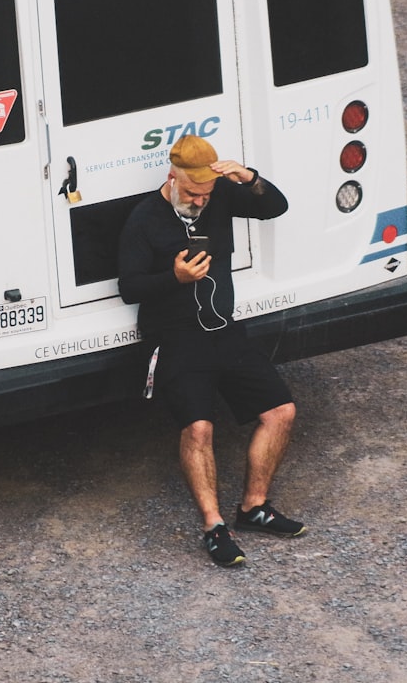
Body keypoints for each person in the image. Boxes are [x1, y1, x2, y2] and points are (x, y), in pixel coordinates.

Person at [117, 135, 305, 567]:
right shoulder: (144, 219)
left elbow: (275, 206)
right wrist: (175, 277)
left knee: (281, 412)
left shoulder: (218, 197)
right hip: (175, 338)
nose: (200, 201)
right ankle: (214, 526)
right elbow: (129, 288)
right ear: (172, 176)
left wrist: (249, 177)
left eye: (205, 193)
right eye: (192, 193)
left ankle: (254, 507)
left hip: (224, 331)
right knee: (199, 429)